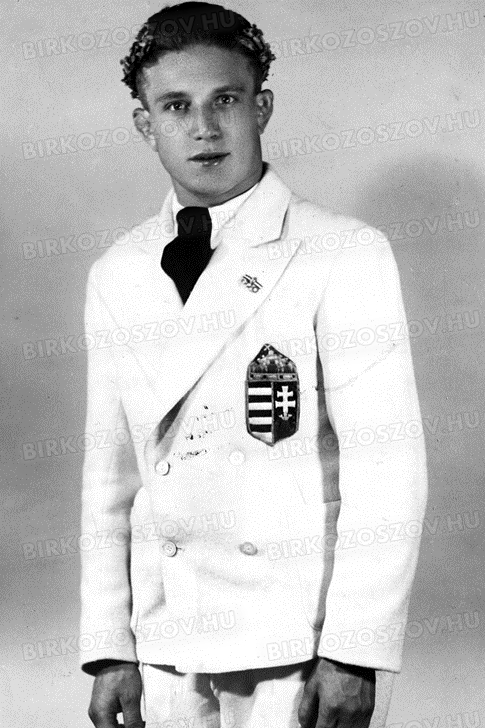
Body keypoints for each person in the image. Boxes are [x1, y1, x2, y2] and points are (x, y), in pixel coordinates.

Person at [80, 3, 428, 727]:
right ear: (145, 123)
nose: (204, 128)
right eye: (176, 106)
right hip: (166, 637)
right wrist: (110, 648)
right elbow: (109, 477)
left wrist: (354, 651)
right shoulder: (118, 271)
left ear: (261, 108)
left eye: (226, 100)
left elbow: (386, 468)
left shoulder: (340, 251)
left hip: (299, 639)